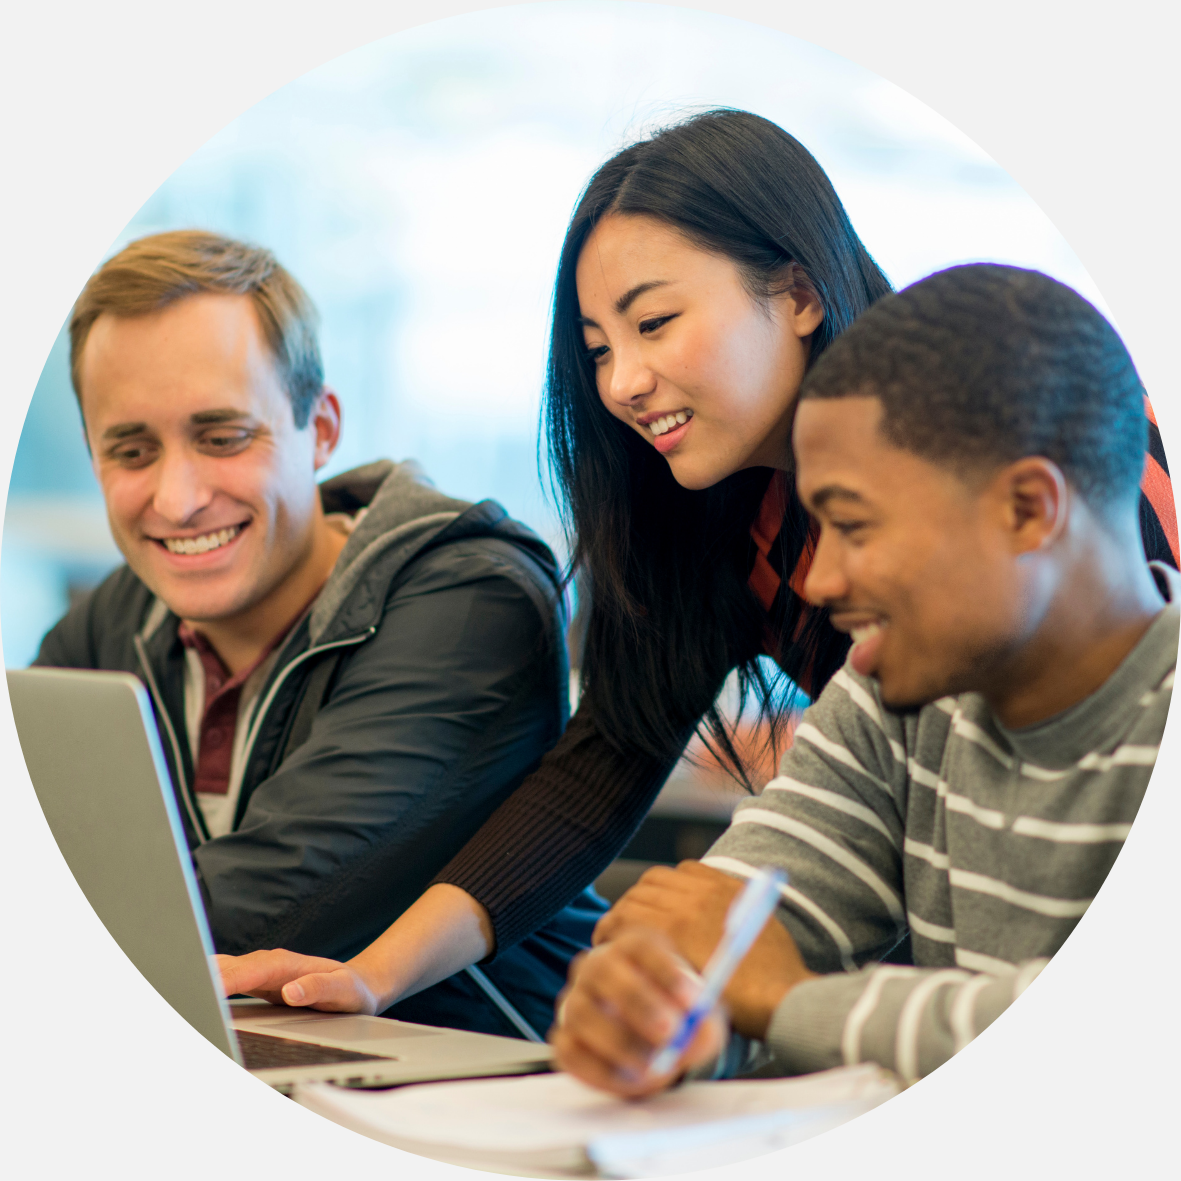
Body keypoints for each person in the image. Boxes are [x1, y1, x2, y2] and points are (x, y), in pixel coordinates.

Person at [218, 109, 1177, 1018]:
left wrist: (787, 1002)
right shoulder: (716, 506)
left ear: (798, 293)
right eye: (597, 349)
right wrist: (373, 976)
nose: (621, 383)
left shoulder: (1052, 453)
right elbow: (607, 767)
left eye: (653, 323)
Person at [550, 263, 1178, 1092]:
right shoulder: (896, 698)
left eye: (852, 525)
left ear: (1027, 509)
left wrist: (784, 1001)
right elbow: (732, 934)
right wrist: (662, 1007)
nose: (817, 582)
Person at [33, 229, 605, 1040]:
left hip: (499, 1080)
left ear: (323, 428)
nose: (178, 499)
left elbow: (258, 910)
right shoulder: (113, 620)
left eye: (223, 436)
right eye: (131, 450)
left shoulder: (471, 599)